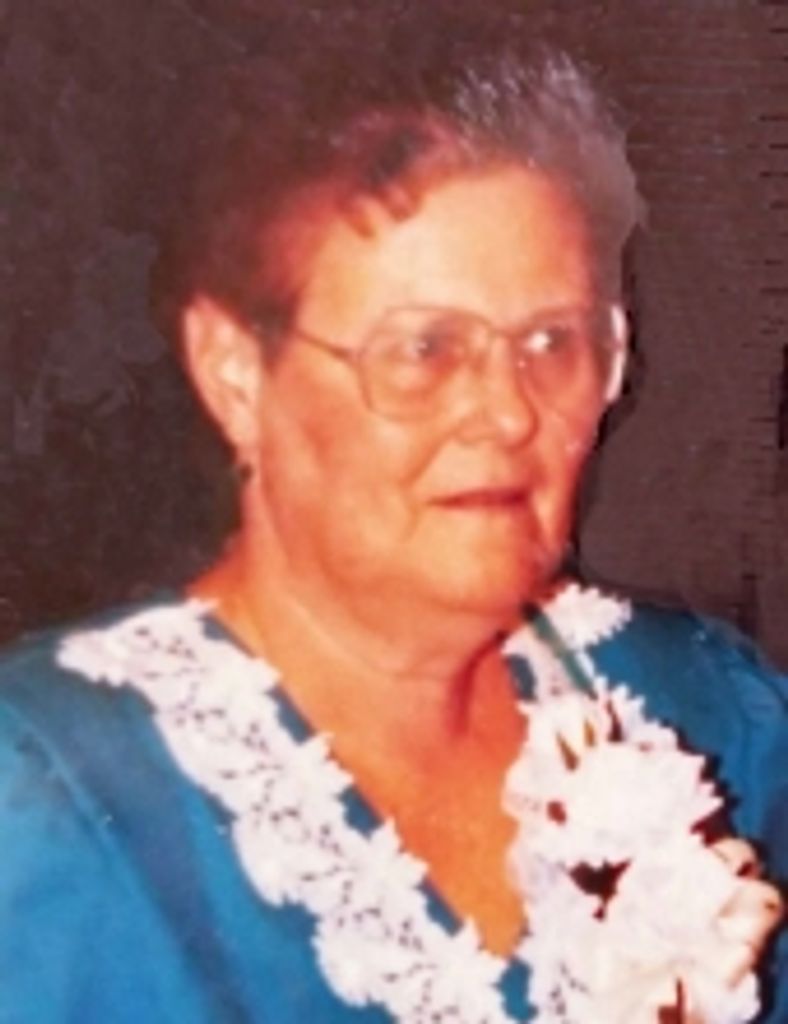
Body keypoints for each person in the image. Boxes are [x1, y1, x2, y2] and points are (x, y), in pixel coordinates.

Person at [0, 34, 786, 1024]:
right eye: (422, 349)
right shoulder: (49, 801)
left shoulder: (711, 714)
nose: (507, 413)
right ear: (235, 374)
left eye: (551, 341)